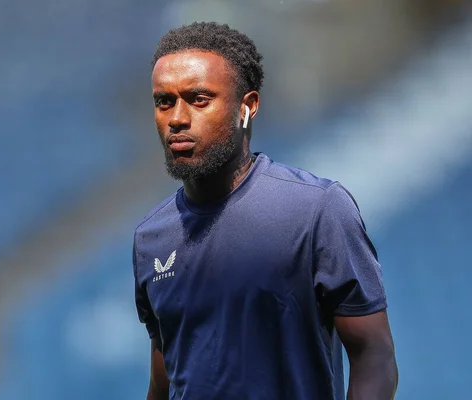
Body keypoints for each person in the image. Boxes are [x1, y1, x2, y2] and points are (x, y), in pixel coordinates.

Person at [133, 21, 398, 400]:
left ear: (248, 106)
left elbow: (375, 355)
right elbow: (165, 379)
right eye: (165, 101)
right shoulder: (150, 239)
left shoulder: (316, 210)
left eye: (199, 99)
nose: (177, 118)